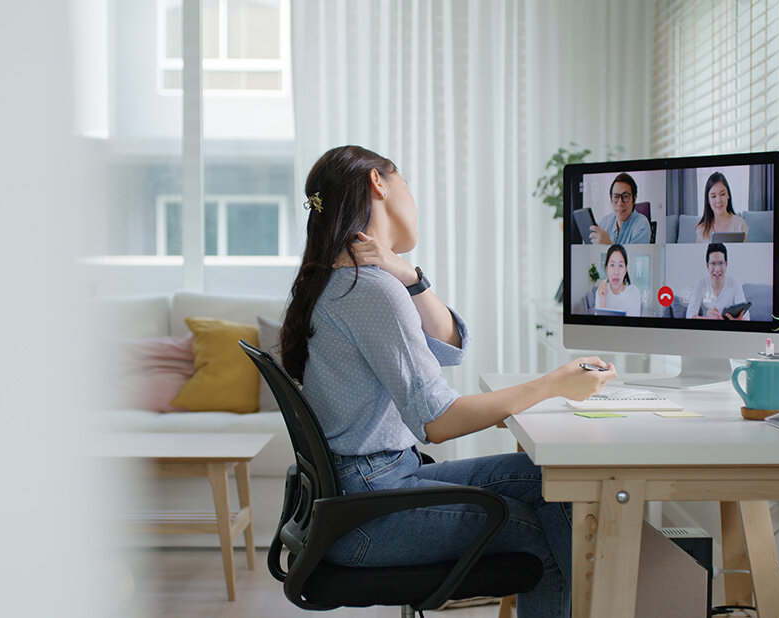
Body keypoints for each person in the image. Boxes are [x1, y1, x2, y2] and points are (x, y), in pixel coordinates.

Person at [279, 145, 617, 615]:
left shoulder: (354, 278)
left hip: (362, 493)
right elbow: (437, 422)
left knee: (552, 480)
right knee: (547, 526)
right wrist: (554, 384)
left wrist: (410, 276)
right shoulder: (370, 291)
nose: (412, 197)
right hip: (369, 512)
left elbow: (449, 343)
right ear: (379, 183)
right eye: (406, 182)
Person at [685, 242, 749, 320]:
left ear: (726, 264)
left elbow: (746, 318)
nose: (717, 269)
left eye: (721, 263)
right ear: (707, 266)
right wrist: (709, 318)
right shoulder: (700, 283)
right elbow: (689, 316)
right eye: (713, 263)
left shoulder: (734, 283)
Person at [589, 172, 652, 245]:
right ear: (611, 199)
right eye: (616, 197)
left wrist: (608, 244)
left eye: (625, 196)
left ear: (634, 199)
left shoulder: (642, 225)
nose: (620, 203)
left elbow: (635, 256)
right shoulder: (605, 222)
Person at [694, 171, 749, 243]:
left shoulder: (740, 225)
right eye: (713, 196)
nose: (718, 200)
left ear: (728, 195)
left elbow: (744, 252)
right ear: (708, 200)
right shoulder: (702, 229)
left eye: (722, 194)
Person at [594, 244, 642, 316]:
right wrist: (603, 300)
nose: (616, 272)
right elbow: (600, 325)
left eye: (620, 265)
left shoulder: (633, 292)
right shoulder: (600, 292)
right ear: (606, 269)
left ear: (625, 270)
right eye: (612, 265)